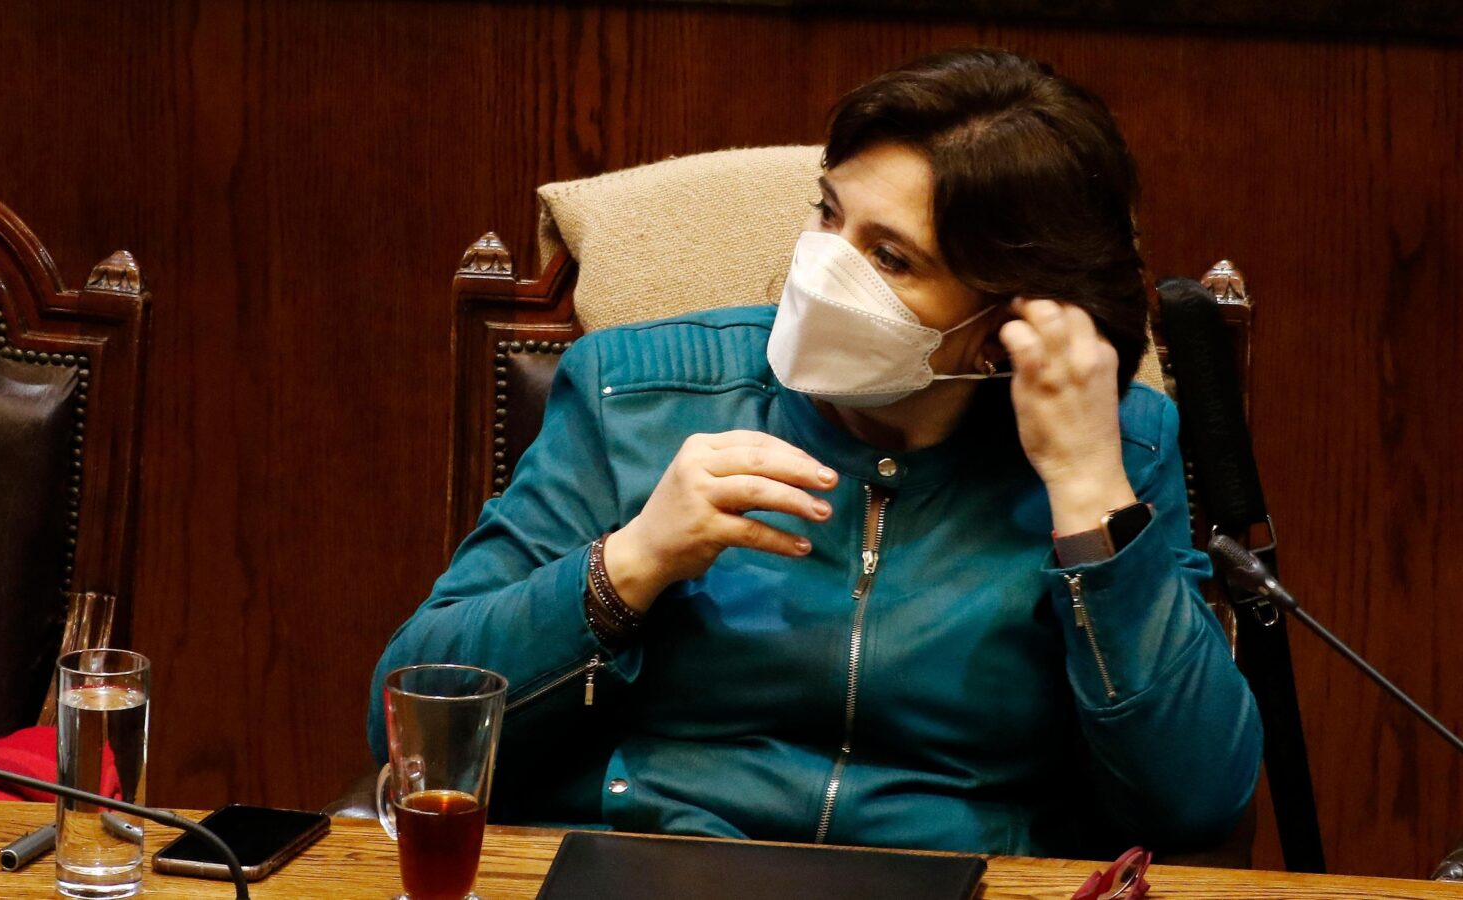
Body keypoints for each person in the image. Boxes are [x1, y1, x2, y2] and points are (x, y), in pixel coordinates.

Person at [368, 47, 1262, 857]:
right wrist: (628, 565)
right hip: (655, 864)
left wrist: (1089, 491)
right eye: (828, 216)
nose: (822, 268)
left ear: (1010, 325)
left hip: (963, 878)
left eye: (891, 258)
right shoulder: (633, 391)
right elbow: (413, 726)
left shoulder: (1112, 445)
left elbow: (1193, 805)